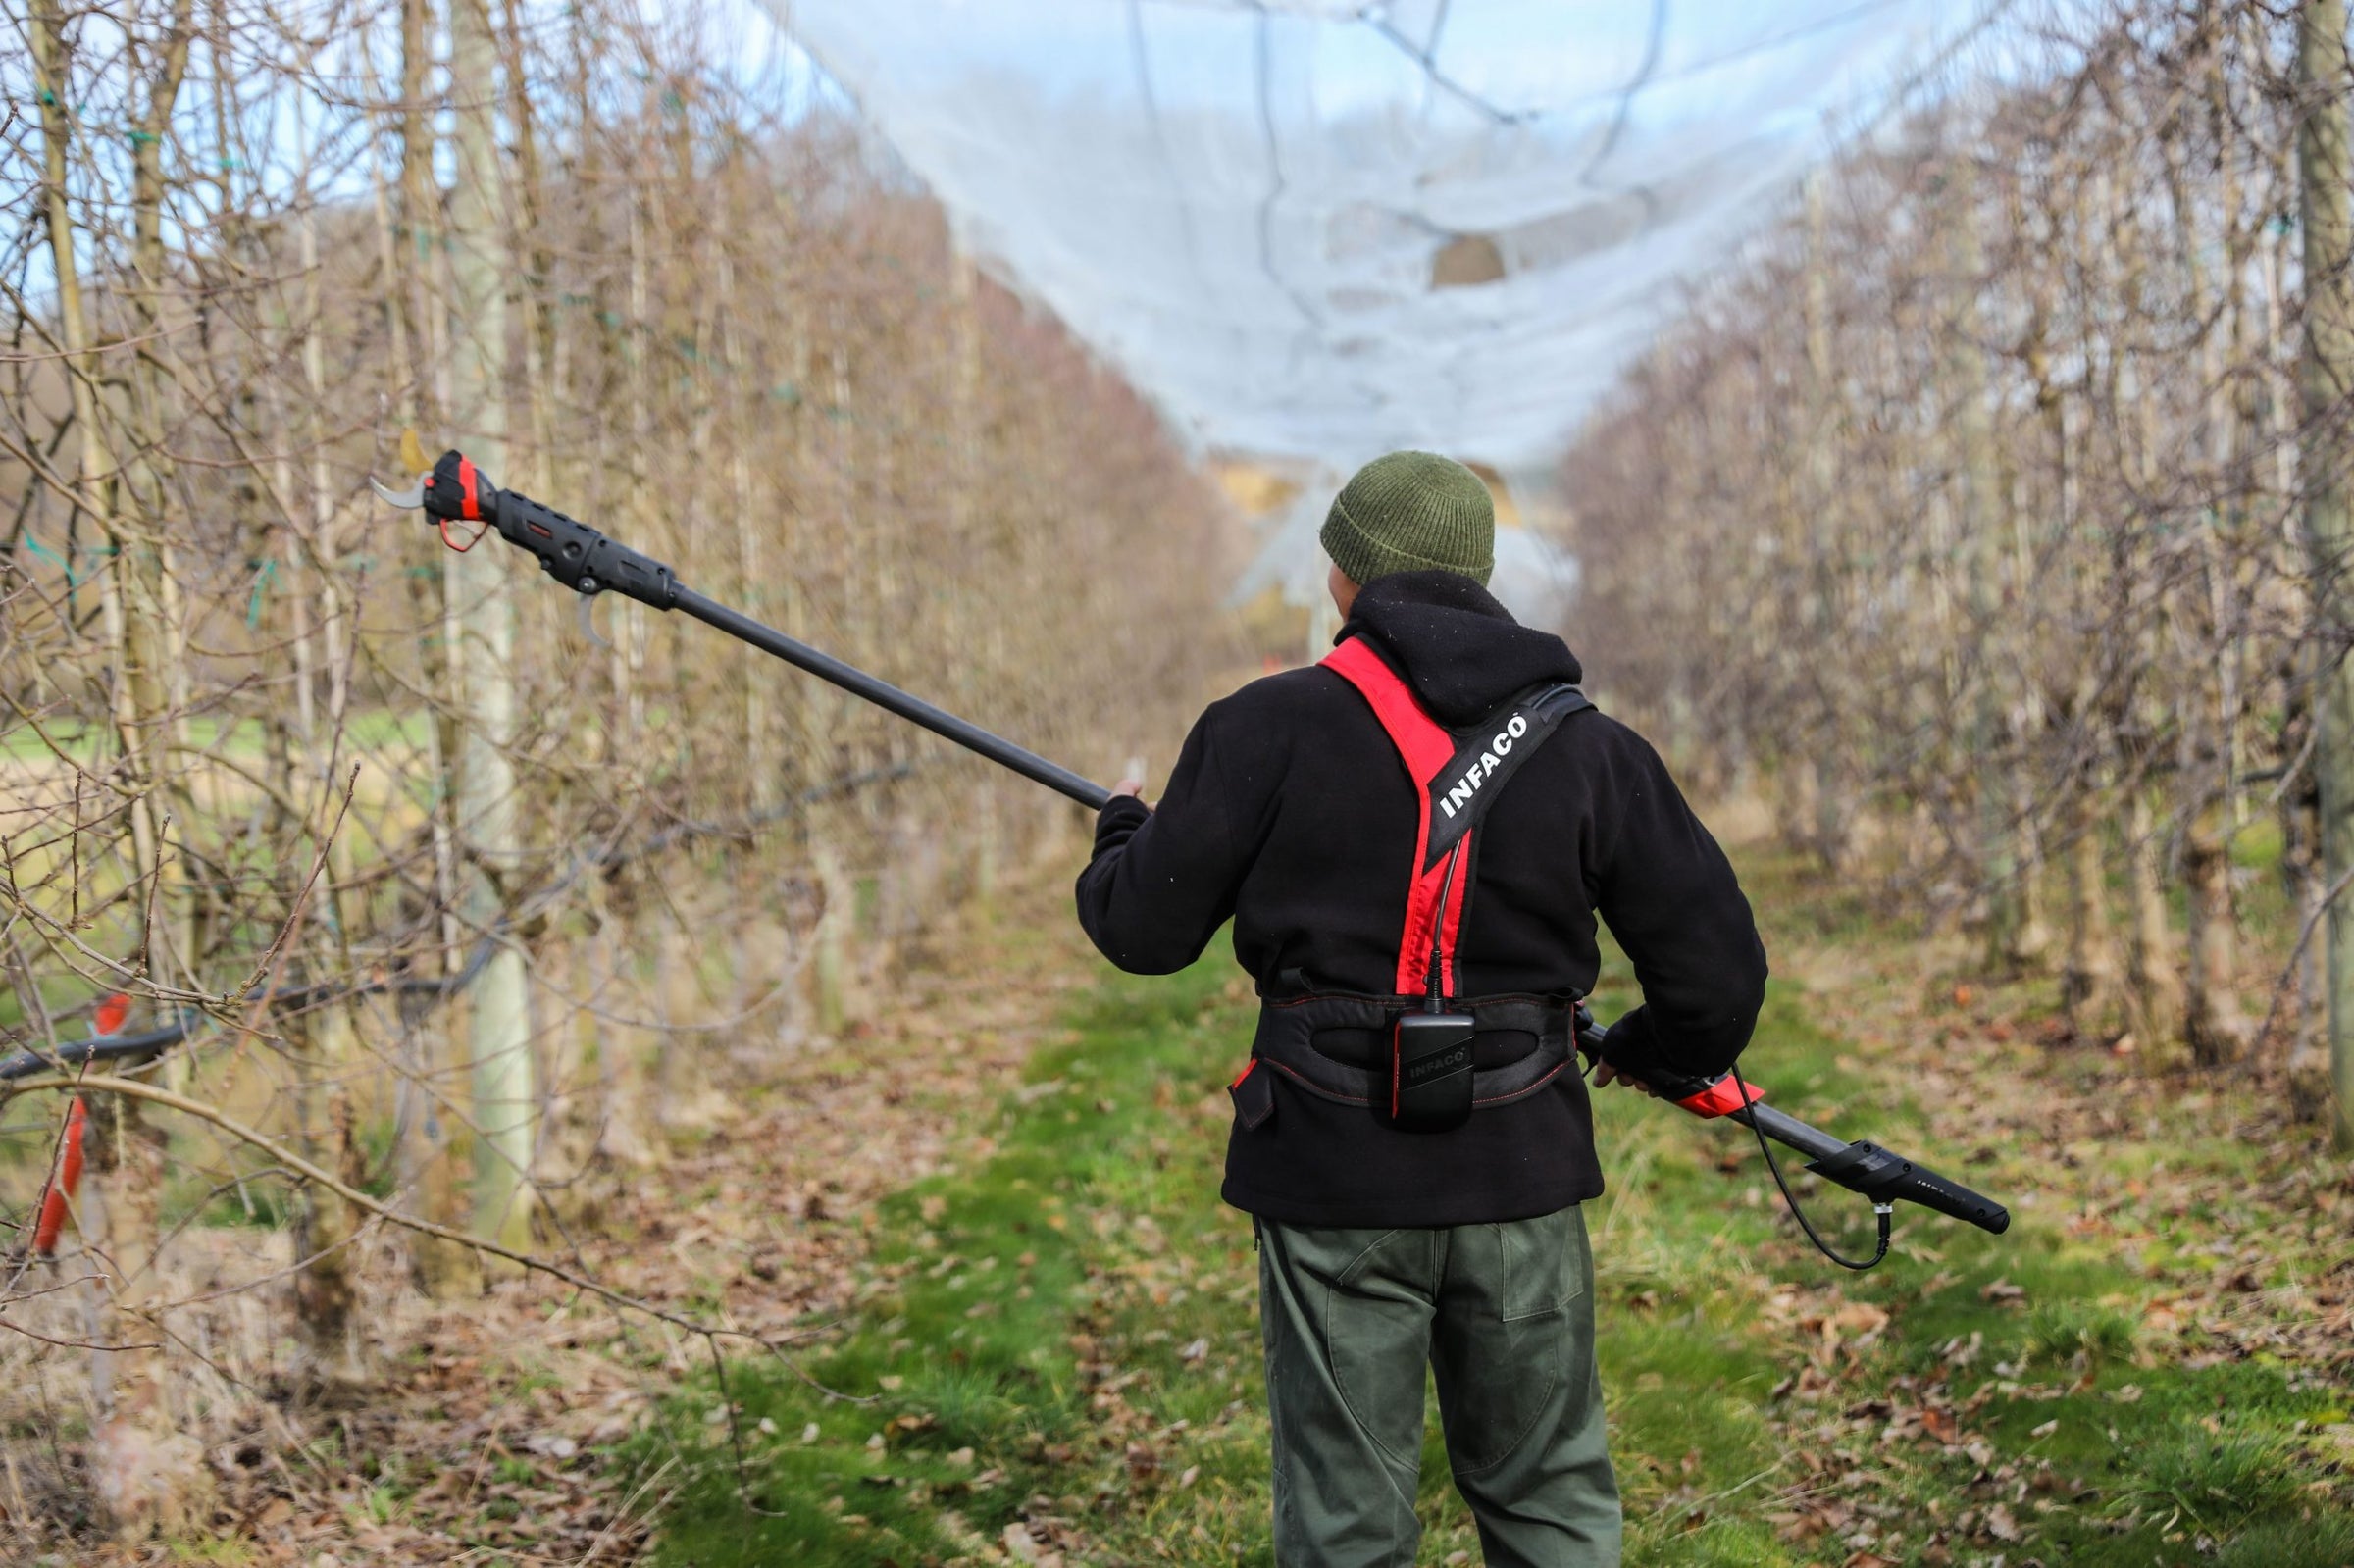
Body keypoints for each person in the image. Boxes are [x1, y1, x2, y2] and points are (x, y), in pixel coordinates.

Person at [1073, 450, 1768, 1568]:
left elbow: (1139, 931)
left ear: (1344, 578)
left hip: (1331, 1176)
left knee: (1348, 1521)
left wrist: (1122, 834)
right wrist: (1658, 1054)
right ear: (1482, 577)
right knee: (1547, 1497)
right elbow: (1719, 976)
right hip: (1521, 1178)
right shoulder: (1591, 750)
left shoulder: (1262, 726)